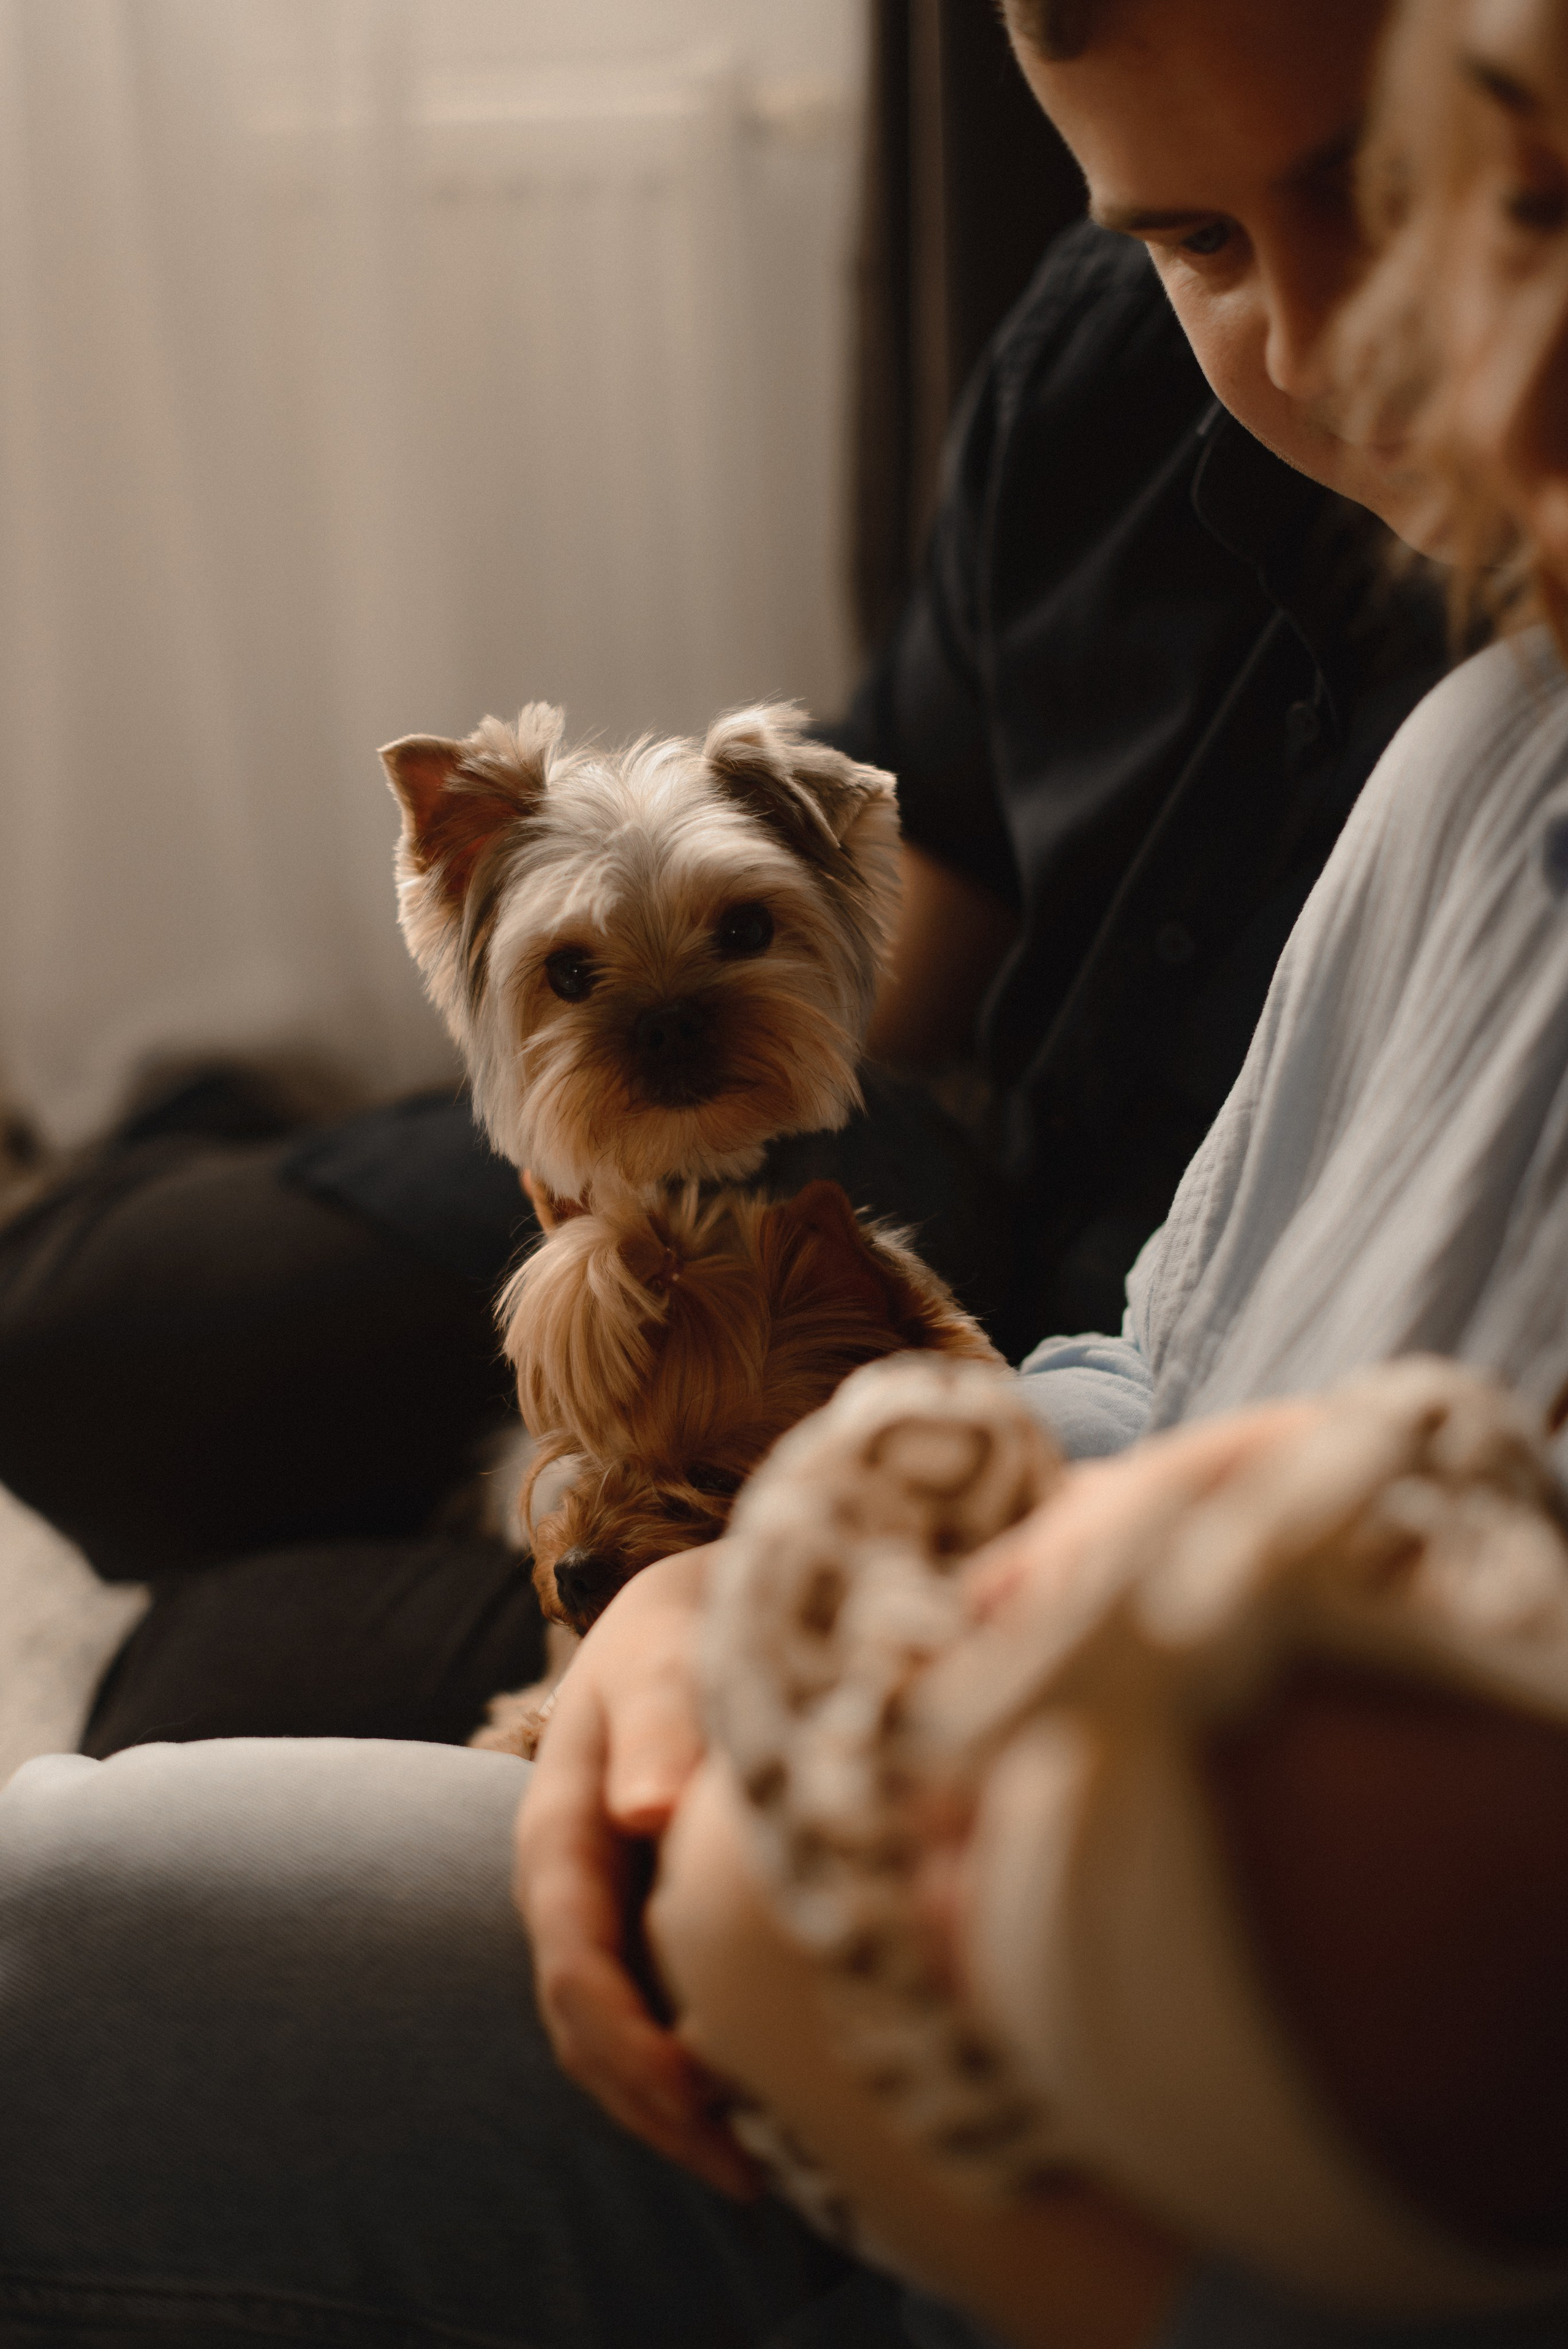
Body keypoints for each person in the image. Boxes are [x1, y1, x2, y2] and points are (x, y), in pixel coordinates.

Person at [2, 0, 1561, 2345]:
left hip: (1046, 2087)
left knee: (172, 1708)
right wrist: (716, 1589)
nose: (1352, 344)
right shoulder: (1466, 733)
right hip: (886, 1224)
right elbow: (1139, 1337)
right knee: (104, 1376)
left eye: (1469, 200)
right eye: (1191, 238)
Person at [0, 0, 1446, 1754]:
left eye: (1385, 198)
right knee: (67, 1354)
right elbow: (941, 842)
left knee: (187, 1686)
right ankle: (265, 1206)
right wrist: (723, 1063)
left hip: (1054, 1343)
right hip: (864, 1131)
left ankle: (449, 1498)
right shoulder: (1093, 352)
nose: (1299, 341)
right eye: (1196, 241)